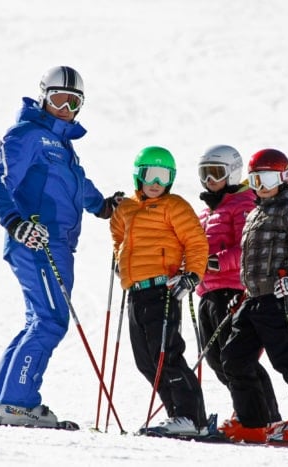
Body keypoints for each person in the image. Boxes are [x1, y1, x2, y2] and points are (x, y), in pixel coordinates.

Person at [0, 66, 123, 428]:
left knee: (37, 320)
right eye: (58, 98)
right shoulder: (27, 135)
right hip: (37, 238)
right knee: (51, 320)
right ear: (43, 96)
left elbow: (77, 186)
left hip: (57, 244)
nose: (65, 108)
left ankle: (4, 402)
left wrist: (103, 205)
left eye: (73, 102)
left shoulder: (63, 147)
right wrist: (16, 224)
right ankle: (18, 402)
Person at [218, 148, 288, 444]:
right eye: (254, 179)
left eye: (267, 178)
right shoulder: (257, 211)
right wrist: (244, 291)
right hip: (254, 298)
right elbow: (254, 258)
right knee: (234, 358)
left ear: (284, 176)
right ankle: (253, 423)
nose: (260, 185)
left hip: (279, 297)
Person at [110, 146, 210, 436]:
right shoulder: (127, 207)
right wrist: (119, 258)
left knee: (166, 355)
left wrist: (192, 275)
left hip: (162, 289)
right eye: (151, 175)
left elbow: (196, 242)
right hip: (135, 291)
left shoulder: (174, 206)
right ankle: (178, 416)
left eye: (164, 176)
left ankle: (192, 418)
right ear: (138, 175)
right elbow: (118, 234)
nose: (157, 182)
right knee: (146, 361)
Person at [194, 145, 281, 426]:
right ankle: (251, 412)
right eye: (204, 174)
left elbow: (249, 246)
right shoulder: (207, 212)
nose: (209, 180)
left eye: (216, 173)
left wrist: (218, 262)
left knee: (238, 359)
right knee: (217, 362)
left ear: (232, 173)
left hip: (232, 291)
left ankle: (260, 418)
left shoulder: (243, 203)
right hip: (207, 292)